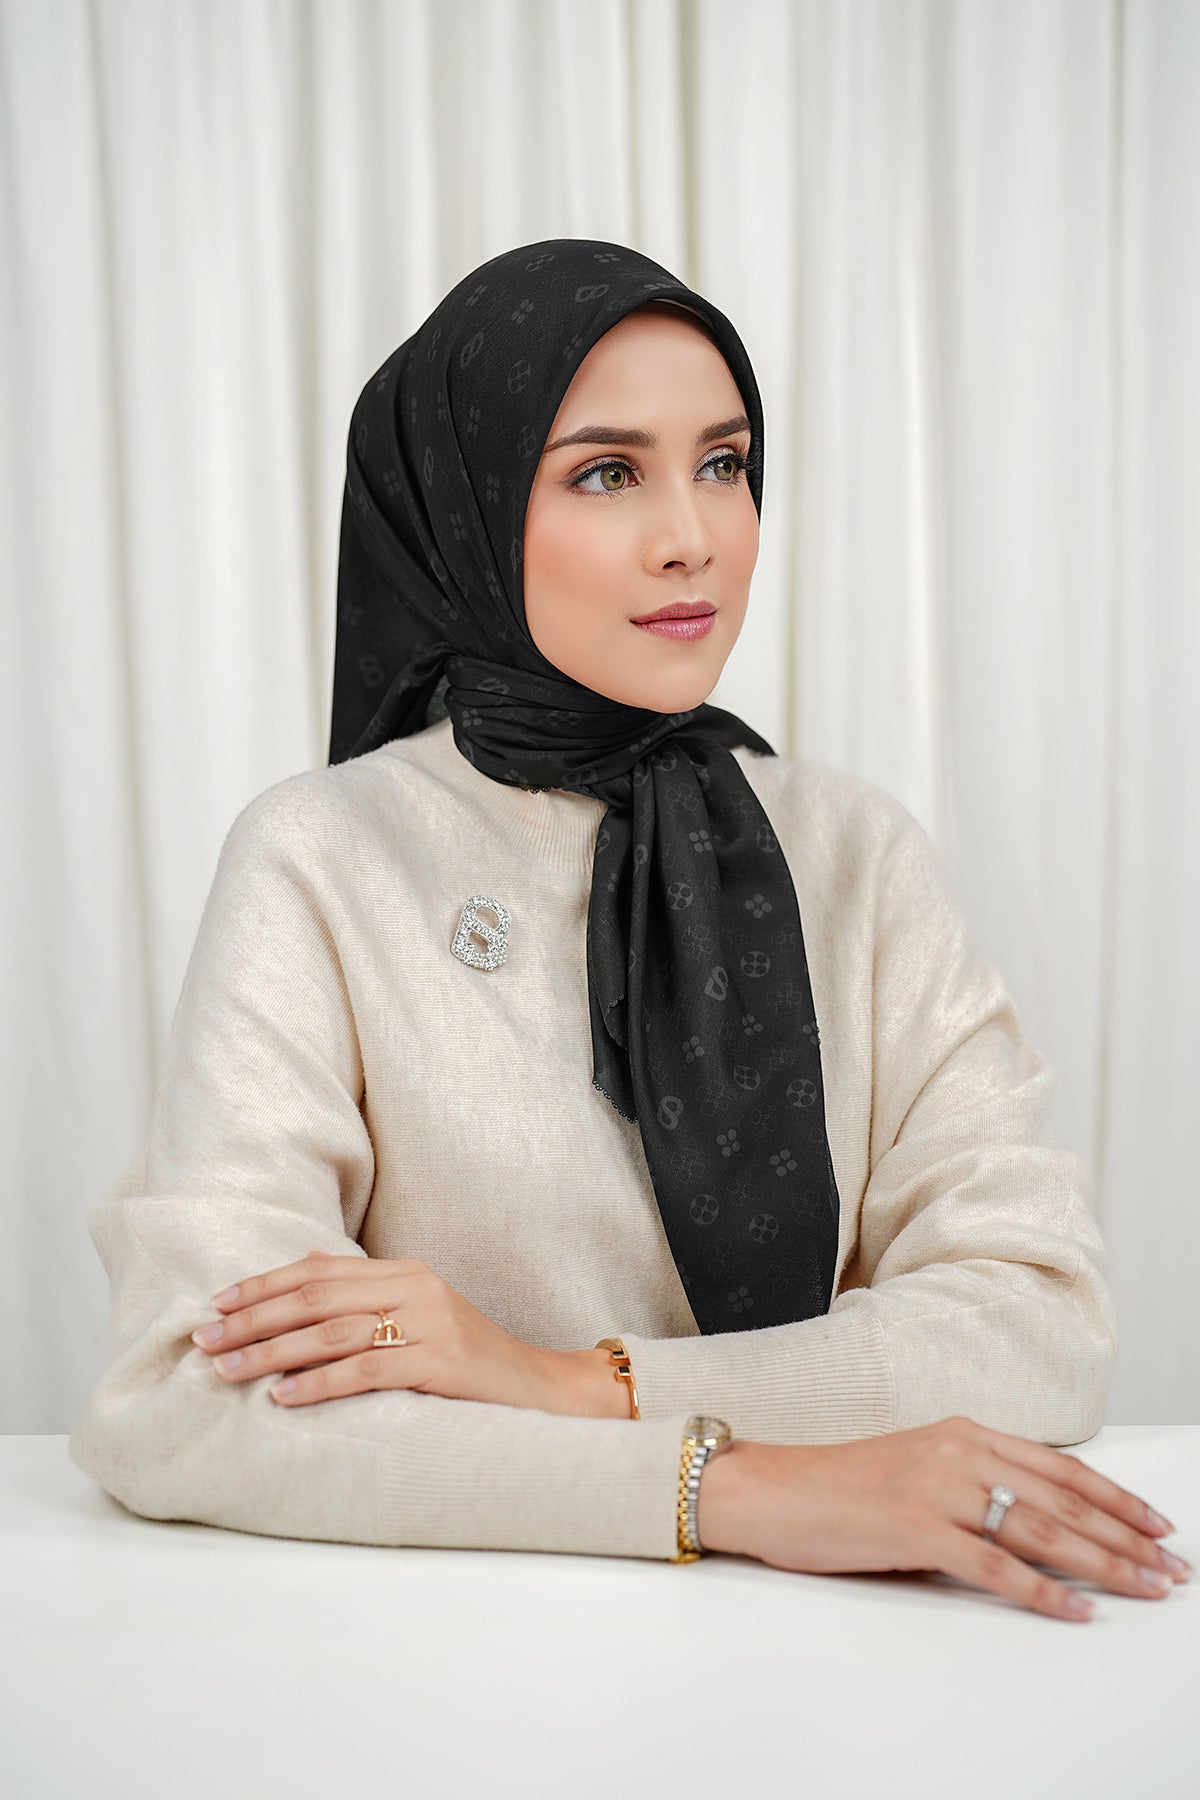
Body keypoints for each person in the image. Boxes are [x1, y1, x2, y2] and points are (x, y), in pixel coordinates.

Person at [70, 237, 1189, 1622]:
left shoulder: (852, 852)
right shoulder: (325, 857)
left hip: (865, 1654)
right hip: (462, 1660)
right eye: (607, 473)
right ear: (467, 509)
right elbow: (185, 1400)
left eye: (724, 463)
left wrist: (564, 1383)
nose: (691, 536)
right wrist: (732, 1489)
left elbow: (1042, 1327)